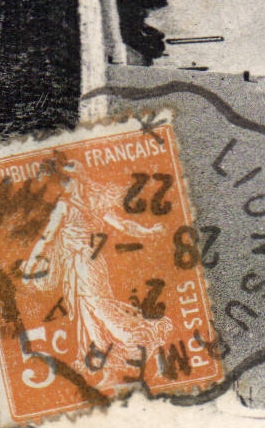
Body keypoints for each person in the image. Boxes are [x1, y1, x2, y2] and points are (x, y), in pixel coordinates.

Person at [23, 162, 173, 391]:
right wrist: (148, 231)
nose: (64, 185)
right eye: (63, 181)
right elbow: (123, 225)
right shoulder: (91, 203)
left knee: (99, 309)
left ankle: (149, 334)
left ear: (77, 180)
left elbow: (47, 237)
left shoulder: (68, 205)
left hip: (86, 264)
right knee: (90, 317)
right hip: (82, 264)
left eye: (67, 180)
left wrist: (32, 263)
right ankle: (109, 370)